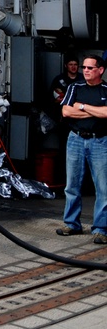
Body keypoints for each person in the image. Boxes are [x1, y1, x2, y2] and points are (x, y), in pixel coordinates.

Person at [56, 55, 107, 241]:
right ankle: (72, 224)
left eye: (90, 68)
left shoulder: (106, 89)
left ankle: (101, 229)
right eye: (84, 67)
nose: (85, 70)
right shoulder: (74, 87)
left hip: (100, 141)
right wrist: (96, 112)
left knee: (103, 187)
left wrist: (83, 107)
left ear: (100, 70)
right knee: (72, 184)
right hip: (75, 140)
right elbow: (66, 111)